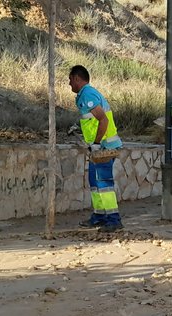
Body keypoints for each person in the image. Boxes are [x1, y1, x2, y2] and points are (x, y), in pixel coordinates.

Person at [70, 65, 124, 231]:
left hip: (104, 147)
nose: (69, 84)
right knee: (95, 182)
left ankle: (114, 220)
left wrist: (96, 143)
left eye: (71, 80)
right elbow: (93, 121)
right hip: (100, 146)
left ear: (78, 79)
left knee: (103, 183)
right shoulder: (86, 95)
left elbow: (103, 120)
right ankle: (99, 216)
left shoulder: (88, 94)